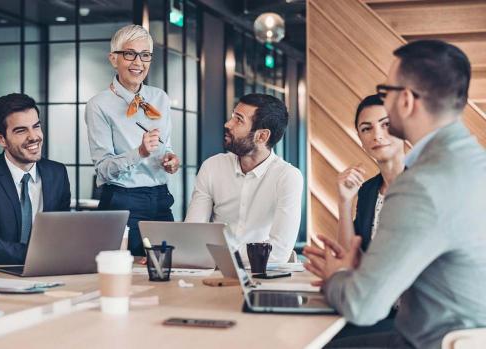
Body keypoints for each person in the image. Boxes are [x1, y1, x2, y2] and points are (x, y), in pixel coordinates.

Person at [304, 40, 486, 348]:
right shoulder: (474, 162)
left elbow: (362, 307)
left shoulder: (420, 184)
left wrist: (337, 276)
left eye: (385, 92)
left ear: (406, 101)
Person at [85, 25, 179, 257]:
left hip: (161, 199)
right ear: (113, 59)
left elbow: (166, 147)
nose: (138, 62)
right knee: (129, 276)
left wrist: (171, 159)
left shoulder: (160, 98)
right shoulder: (99, 105)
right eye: (130, 54)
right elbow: (104, 170)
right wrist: (140, 152)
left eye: (145, 55)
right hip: (123, 202)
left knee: (167, 268)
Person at [185, 93, 303, 263]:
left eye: (238, 120)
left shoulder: (288, 177)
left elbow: (278, 252)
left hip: (263, 275)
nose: (227, 124)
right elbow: (192, 233)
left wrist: (218, 255)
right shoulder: (212, 166)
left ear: (262, 136)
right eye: (232, 116)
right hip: (215, 273)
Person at [0, 93, 71, 268]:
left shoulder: (57, 173)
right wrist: (43, 254)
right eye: (21, 130)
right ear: (1, 139)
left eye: (36, 126)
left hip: (49, 271)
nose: (34, 137)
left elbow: (63, 232)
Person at [337, 94, 405, 252]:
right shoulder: (367, 191)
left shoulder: (426, 183)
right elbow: (349, 257)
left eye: (386, 124)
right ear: (360, 139)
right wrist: (344, 202)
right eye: (366, 129)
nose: (377, 136)